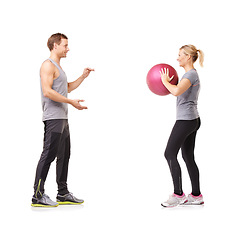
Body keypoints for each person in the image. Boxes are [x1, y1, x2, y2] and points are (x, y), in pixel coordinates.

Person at [32, 33, 94, 207]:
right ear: (55, 46)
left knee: (64, 155)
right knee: (48, 156)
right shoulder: (47, 65)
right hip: (53, 118)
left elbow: (65, 88)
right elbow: (47, 91)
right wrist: (70, 102)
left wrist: (82, 77)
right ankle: (37, 195)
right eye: (65, 45)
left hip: (63, 118)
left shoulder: (58, 67)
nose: (68, 48)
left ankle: (63, 193)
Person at [160, 45, 204, 207]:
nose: (177, 58)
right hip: (192, 119)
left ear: (188, 57)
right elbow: (178, 90)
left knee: (169, 153)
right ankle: (196, 195)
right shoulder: (189, 75)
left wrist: (164, 82)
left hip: (186, 121)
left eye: (180, 55)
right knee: (187, 157)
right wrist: (168, 85)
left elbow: (177, 91)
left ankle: (178, 194)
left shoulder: (191, 75)